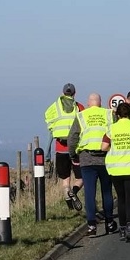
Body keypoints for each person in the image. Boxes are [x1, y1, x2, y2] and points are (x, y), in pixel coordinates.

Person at [68, 93, 117, 237]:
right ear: (100, 103)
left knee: (89, 193)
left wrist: (73, 155)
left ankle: (91, 226)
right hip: (106, 158)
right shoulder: (109, 114)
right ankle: (109, 222)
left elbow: (72, 138)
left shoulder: (81, 115)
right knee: (107, 191)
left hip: (86, 158)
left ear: (88, 104)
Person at [102, 102, 130, 242]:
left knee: (121, 199)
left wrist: (114, 150)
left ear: (117, 114)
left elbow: (103, 147)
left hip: (116, 169)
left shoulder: (111, 128)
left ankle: (121, 228)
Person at [44, 83, 84, 211]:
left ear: (62, 93)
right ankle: (74, 191)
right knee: (80, 177)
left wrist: (53, 130)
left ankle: (69, 205)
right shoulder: (79, 107)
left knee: (65, 179)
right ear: (74, 93)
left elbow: (48, 122)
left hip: (60, 148)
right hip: (75, 148)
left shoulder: (55, 107)